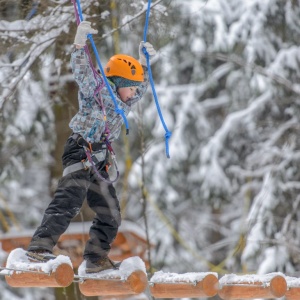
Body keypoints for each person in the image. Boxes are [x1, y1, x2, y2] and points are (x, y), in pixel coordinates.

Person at [26, 21, 156, 273]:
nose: (134, 93)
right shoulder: (96, 89)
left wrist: (145, 64)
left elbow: (141, 88)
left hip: (99, 160)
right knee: (69, 201)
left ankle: (96, 258)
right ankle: (39, 248)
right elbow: (82, 72)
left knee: (111, 212)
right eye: (130, 88)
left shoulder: (123, 102)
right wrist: (79, 45)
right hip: (80, 150)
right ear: (117, 82)